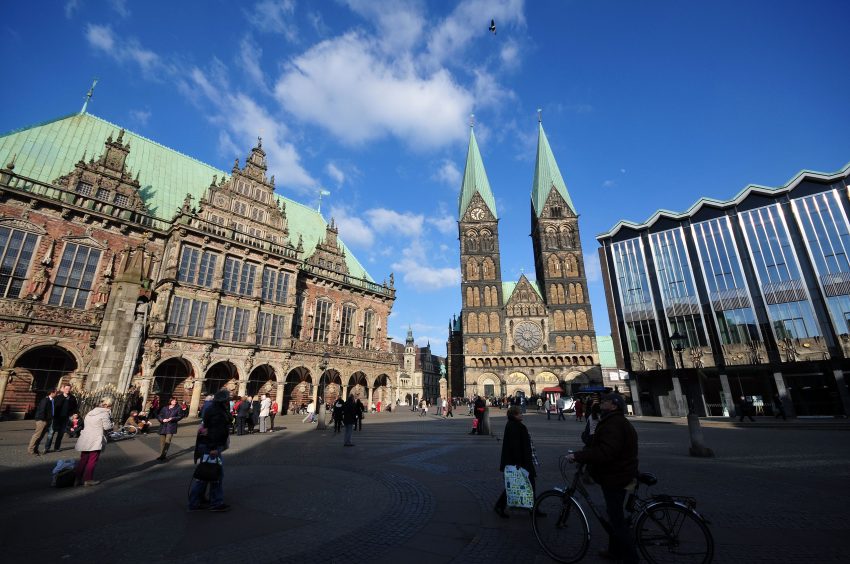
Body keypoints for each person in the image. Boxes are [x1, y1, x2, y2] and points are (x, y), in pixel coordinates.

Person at [568, 393, 639, 564]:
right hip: (621, 473)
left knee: (617, 519)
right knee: (613, 514)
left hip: (617, 475)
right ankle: (614, 551)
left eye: (605, 401)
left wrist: (579, 456)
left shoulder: (614, 423)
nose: (601, 403)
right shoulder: (615, 421)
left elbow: (606, 452)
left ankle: (631, 559)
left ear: (614, 406)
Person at [188, 390, 231, 512]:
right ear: (223, 401)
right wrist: (213, 447)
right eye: (227, 399)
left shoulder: (213, 409)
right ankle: (215, 503)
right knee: (215, 475)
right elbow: (214, 431)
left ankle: (197, 501)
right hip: (212, 447)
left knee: (206, 475)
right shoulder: (217, 412)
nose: (229, 401)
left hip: (210, 445)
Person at [494, 406, 538, 518]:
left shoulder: (513, 425)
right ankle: (533, 509)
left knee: (517, 484)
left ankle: (533, 508)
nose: (521, 414)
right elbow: (515, 447)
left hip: (520, 461)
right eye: (519, 413)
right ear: (514, 415)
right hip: (520, 462)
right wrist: (519, 463)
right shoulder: (515, 426)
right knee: (525, 484)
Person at [74, 396, 115, 486]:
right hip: (96, 438)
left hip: (86, 437)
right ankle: (88, 479)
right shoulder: (104, 414)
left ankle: (77, 479)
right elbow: (107, 427)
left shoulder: (90, 412)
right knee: (92, 459)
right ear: (108, 405)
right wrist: (112, 423)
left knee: (83, 459)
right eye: (111, 406)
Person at [45, 383, 77, 453]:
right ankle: (47, 448)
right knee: (51, 433)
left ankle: (56, 448)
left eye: (69, 389)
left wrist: (72, 414)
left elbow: (75, 407)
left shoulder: (72, 398)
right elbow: (53, 407)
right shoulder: (58, 397)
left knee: (60, 434)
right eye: (66, 389)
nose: (67, 390)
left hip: (65, 418)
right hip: (56, 418)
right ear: (63, 389)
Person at [27, 389, 56, 456]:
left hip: (47, 420)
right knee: (37, 435)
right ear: (52, 393)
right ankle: (30, 450)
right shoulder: (45, 400)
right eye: (55, 392)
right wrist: (43, 420)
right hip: (42, 420)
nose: (56, 394)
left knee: (41, 436)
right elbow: (42, 410)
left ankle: (36, 449)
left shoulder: (52, 400)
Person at [157, 397, 183, 461]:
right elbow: (160, 415)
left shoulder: (178, 408)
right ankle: (162, 454)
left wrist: (172, 418)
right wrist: (162, 420)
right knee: (162, 442)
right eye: (174, 400)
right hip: (163, 426)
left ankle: (163, 455)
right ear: (170, 401)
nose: (175, 402)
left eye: (176, 401)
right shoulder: (165, 408)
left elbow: (180, 416)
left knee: (167, 441)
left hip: (171, 426)